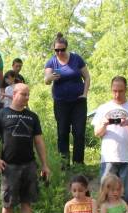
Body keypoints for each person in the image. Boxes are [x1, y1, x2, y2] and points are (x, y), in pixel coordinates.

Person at [0, 83, 51, 213]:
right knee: (8, 202)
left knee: (27, 200)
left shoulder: (32, 117)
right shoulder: (0, 114)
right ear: (14, 94)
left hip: (29, 164)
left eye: (28, 94)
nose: (26, 97)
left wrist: (44, 165)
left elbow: (39, 141)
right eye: (23, 94)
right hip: (9, 166)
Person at [92, 76, 128, 206]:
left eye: (120, 91)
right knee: (106, 193)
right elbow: (97, 133)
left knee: (127, 196)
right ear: (111, 90)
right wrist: (104, 124)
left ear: (126, 90)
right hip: (109, 156)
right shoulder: (103, 108)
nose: (117, 94)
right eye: (114, 90)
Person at [44, 32, 91, 166]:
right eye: (57, 50)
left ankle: (78, 162)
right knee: (62, 131)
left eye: (62, 50)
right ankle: (64, 163)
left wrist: (85, 94)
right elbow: (46, 80)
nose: (59, 52)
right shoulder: (51, 61)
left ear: (67, 48)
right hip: (61, 102)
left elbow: (87, 77)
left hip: (78, 101)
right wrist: (50, 78)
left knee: (79, 132)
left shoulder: (76, 59)